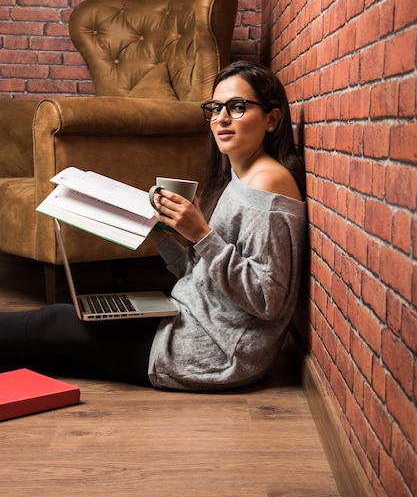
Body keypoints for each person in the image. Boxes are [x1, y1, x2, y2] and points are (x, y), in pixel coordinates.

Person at [0, 61, 307, 391]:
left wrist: (200, 234)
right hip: (190, 320)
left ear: (271, 119)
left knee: (51, 322)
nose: (221, 118)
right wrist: (156, 232)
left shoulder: (268, 185)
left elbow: (265, 300)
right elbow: (202, 277)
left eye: (238, 107)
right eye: (216, 108)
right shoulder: (240, 178)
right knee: (43, 351)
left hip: (214, 351)